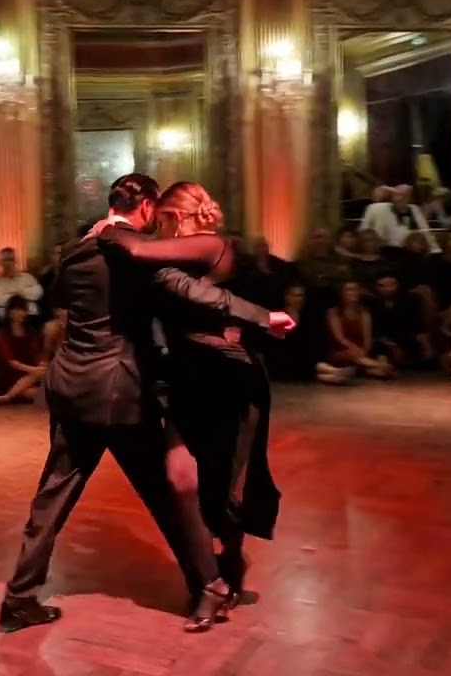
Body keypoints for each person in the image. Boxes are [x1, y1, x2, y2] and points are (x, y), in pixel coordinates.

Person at [0, 174, 291, 635]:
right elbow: (190, 292)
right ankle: (209, 584)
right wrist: (259, 317)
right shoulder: (133, 253)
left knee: (52, 497)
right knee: (169, 490)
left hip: (72, 386)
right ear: (149, 207)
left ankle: (17, 598)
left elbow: (60, 302)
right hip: (120, 391)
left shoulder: (75, 251)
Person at [91, 181, 291, 612]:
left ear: (176, 217)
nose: (157, 232)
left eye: (161, 222)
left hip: (231, 378)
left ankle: (231, 558)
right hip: (186, 379)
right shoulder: (170, 261)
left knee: (223, 492)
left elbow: (144, 255)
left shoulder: (212, 246)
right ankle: (210, 584)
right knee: (180, 480)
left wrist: (108, 228)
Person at [0, 295, 45, 406]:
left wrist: (41, 365)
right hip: (10, 375)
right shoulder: (3, 333)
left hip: (30, 376)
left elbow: (36, 355)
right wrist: (33, 370)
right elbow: (11, 362)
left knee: (38, 390)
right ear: (10, 313)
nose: (21, 313)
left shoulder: (31, 333)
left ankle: (8, 397)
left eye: (23, 310)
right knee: (35, 378)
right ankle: (8, 396)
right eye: (17, 310)